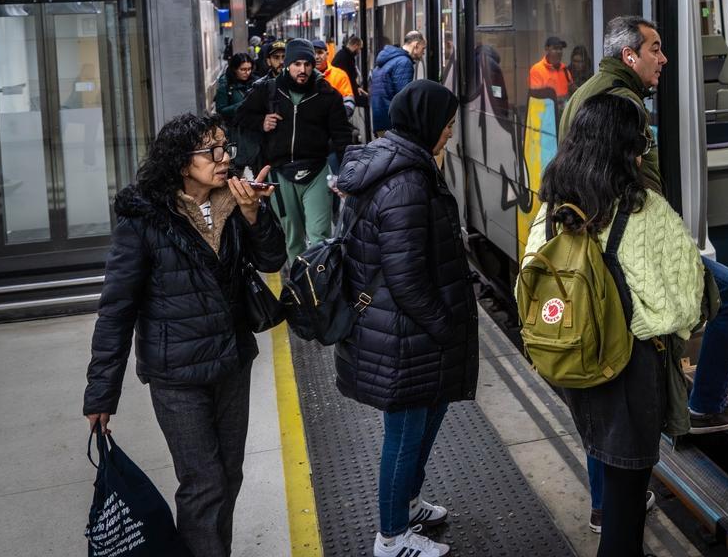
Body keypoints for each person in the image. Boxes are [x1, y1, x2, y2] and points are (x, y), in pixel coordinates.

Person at [560, 15, 728, 527]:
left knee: (602, 380)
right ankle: (702, 406)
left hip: (598, 257)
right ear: (629, 55)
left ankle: (605, 505)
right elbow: (643, 193)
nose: (663, 58)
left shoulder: (586, 92)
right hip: (630, 256)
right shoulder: (624, 107)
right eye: (654, 48)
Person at [83, 113, 286, 557]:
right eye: (211, 150)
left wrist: (254, 214)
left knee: (229, 475)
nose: (224, 158)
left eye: (226, 147)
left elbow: (272, 261)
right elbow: (116, 308)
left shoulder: (236, 201)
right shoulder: (145, 219)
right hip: (177, 375)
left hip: (231, 362)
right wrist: (101, 392)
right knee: (203, 483)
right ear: (180, 162)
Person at [521, 94, 703, 556]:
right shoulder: (644, 210)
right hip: (629, 370)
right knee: (626, 504)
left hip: (573, 358)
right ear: (626, 149)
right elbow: (684, 304)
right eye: (641, 142)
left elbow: (529, 274)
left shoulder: (553, 206)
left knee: (607, 469)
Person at [335, 79, 478, 557]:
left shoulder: (398, 164)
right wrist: (445, 327)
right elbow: (406, 278)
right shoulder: (407, 183)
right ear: (426, 123)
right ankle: (393, 537)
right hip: (403, 332)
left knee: (423, 420)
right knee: (403, 436)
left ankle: (409, 505)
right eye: (448, 124)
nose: (450, 133)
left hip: (402, 327)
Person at [233, 38, 353, 263]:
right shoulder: (268, 90)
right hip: (280, 174)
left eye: (307, 64)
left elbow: (342, 138)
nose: (303, 70)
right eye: (297, 64)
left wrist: (349, 174)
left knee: (319, 236)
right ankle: (298, 281)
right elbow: (240, 116)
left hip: (316, 171)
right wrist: (261, 121)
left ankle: (320, 280)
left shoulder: (328, 95)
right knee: (293, 238)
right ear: (288, 65)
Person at [371, 31, 426, 134]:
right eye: (423, 49)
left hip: (381, 119)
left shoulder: (388, 59)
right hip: (393, 123)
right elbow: (403, 96)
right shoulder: (404, 62)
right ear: (416, 45)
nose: (423, 53)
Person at [313, 39, 355, 118]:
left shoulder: (340, 75)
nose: (316, 57)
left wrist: (337, 119)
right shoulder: (304, 75)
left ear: (327, 54)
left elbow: (349, 103)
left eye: (320, 52)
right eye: (313, 53)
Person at [528, 35, 574, 103]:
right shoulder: (537, 70)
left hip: (564, 109)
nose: (559, 52)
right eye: (555, 49)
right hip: (546, 109)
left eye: (560, 49)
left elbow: (571, 93)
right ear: (547, 49)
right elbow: (537, 98)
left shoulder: (565, 70)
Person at [214, 52, 255, 126]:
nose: (247, 73)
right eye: (243, 69)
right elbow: (220, 111)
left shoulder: (255, 82)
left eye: (249, 69)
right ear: (234, 69)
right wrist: (242, 105)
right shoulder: (225, 85)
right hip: (233, 127)